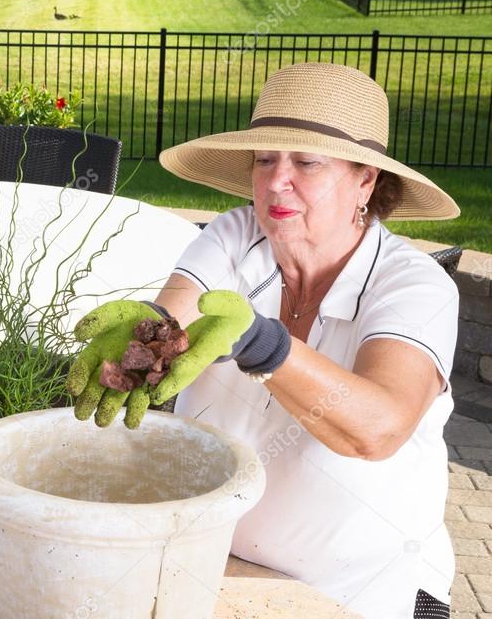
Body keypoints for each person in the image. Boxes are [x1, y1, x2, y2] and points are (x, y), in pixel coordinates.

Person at [68, 62, 460, 618]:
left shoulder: (413, 285)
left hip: (361, 594)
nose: (278, 180)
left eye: (307, 162)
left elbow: (379, 429)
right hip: (212, 569)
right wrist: (144, 334)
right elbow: (170, 314)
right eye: (265, 159)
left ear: (365, 180)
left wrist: (261, 343)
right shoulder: (238, 234)